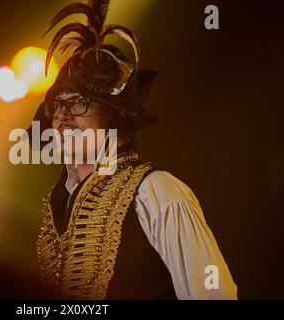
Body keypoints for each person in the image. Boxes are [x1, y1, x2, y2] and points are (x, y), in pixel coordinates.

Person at [31, 0, 237, 300]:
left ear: (113, 115)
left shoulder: (158, 191)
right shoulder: (55, 205)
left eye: (78, 102)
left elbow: (214, 295)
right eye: (56, 106)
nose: (62, 117)